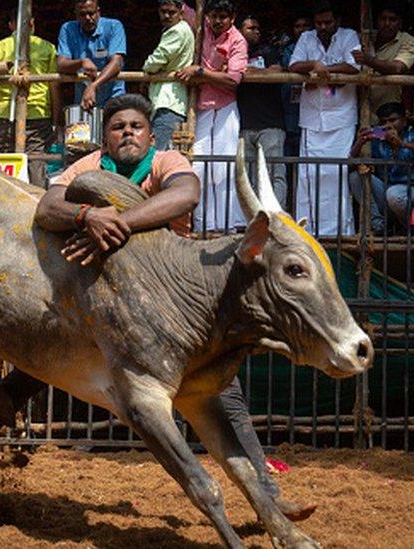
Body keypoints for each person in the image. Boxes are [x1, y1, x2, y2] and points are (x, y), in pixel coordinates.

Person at [34, 93, 315, 522]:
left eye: (135, 127)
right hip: (107, 306)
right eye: (117, 127)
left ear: (150, 135)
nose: (127, 133)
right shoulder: (88, 168)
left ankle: (269, 497)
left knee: (226, 401)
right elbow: (48, 206)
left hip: (179, 305)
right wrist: (87, 216)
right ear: (104, 138)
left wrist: (120, 222)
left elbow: (187, 196)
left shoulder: (167, 162)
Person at [288, 1, 360, 237]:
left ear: (337, 21)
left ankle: (340, 234)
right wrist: (314, 65)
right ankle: (308, 233)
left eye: (327, 22)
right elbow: (294, 65)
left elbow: (355, 66)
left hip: (341, 118)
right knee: (310, 178)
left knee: (336, 177)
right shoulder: (307, 38)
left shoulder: (349, 36)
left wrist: (325, 70)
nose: (323, 26)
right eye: (319, 23)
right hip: (311, 119)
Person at [176, 0, 248, 233]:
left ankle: (227, 225)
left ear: (232, 17)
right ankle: (202, 225)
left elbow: (233, 79)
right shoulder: (201, 27)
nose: (217, 22)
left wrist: (201, 72)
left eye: (222, 17)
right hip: (201, 107)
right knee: (199, 166)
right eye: (213, 16)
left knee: (224, 166)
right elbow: (180, 6)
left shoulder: (237, 40)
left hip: (225, 107)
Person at [347, 102, 414, 235]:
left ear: (404, 121)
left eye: (393, 120)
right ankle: (379, 226)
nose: (388, 125)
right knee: (355, 177)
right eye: (384, 122)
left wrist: (403, 144)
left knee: (394, 194)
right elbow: (350, 164)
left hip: (413, 197)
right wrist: (360, 142)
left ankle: (410, 228)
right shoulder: (379, 137)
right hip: (387, 195)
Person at [0, 12, 60, 187]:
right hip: (35, 115)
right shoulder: (47, 47)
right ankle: (37, 204)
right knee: (35, 165)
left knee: (7, 167)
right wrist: (56, 121)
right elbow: (54, 87)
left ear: (11, 25)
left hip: (10, 117)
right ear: (31, 23)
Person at [237, 14, 287, 209]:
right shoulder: (235, 52)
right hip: (245, 123)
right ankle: (255, 221)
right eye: (251, 28)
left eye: (258, 28)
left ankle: (277, 220)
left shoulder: (268, 50)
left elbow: (277, 71)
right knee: (248, 177)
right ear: (239, 30)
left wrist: (244, 72)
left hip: (271, 123)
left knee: (275, 174)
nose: (256, 31)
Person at [142, 0, 194, 152]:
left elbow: (157, 59)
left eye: (171, 12)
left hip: (169, 102)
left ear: (181, 13)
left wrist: (146, 67)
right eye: (163, 12)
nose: (166, 16)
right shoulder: (178, 29)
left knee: (157, 156)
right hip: (169, 103)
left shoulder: (176, 31)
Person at [57, 0, 126, 110]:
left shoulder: (114, 26)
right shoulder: (68, 29)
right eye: (82, 14)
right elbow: (61, 64)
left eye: (91, 13)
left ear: (98, 12)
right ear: (76, 15)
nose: (88, 18)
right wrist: (81, 62)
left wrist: (93, 86)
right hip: (84, 101)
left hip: (114, 100)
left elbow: (117, 63)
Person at [351, 2, 414, 114]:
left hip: (387, 114)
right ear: (377, 21)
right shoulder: (363, 37)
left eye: (392, 19)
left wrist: (369, 60)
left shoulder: (407, 40)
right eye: (383, 19)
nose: (387, 23)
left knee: (384, 131)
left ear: (400, 23)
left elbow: (398, 68)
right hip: (356, 110)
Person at [280, 14, 312, 157]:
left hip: (314, 112)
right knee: (288, 156)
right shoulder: (288, 50)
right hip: (289, 113)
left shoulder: (317, 48)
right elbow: (291, 67)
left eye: (305, 26)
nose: (301, 30)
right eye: (297, 26)